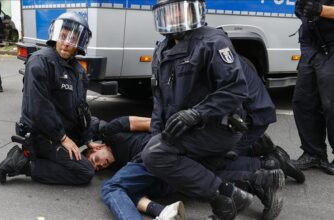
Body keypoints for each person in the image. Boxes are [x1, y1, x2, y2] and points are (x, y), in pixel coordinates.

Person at [138, 0, 284, 219]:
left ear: (195, 10)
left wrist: (198, 113)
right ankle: (260, 179)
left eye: (180, 11)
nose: (174, 17)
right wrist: (157, 136)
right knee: (178, 164)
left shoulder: (212, 41)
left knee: (156, 156)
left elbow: (236, 88)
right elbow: (159, 100)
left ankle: (226, 196)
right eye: (169, 13)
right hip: (187, 129)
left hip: (216, 126)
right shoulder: (161, 51)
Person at [0, 12, 98, 185]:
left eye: (72, 39)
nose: (66, 43)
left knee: (99, 126)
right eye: (63, 36)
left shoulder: (78, 70)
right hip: (42, 134)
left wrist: (88, 140)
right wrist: (63, 139)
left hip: (63, 129)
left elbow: (82, 108)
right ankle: (25, 163)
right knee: (85, 172)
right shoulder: (39, 62)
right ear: (55, 36)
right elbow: (39, 108)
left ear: (79, 44)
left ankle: (54, 157)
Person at [292, 0, 334, 175]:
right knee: (303, 100)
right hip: (311, 46)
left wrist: (321, 10)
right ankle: (314, 153)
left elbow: (320, 9)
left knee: (331, 104)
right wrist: (301, 10)